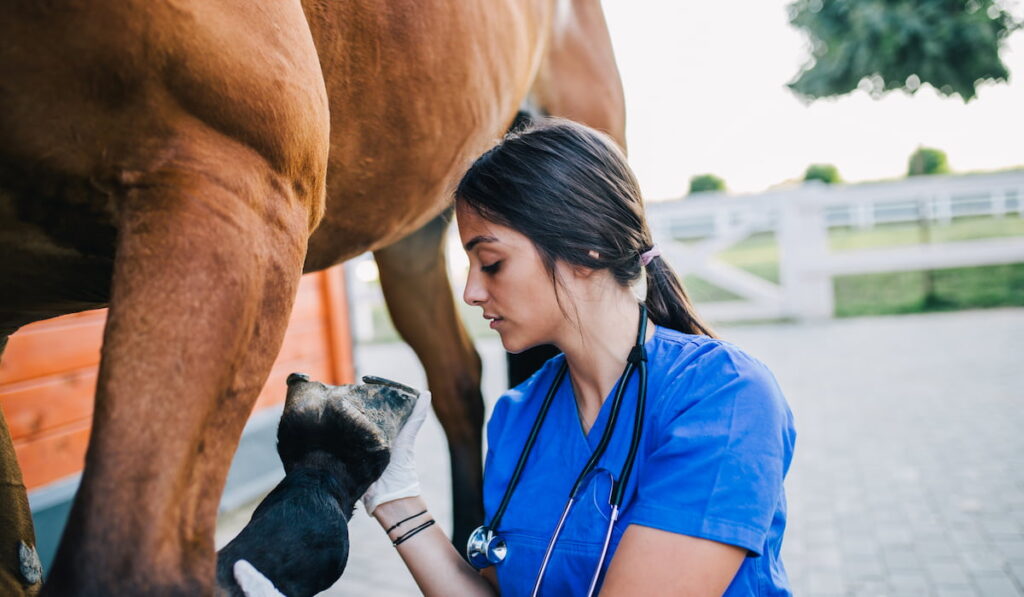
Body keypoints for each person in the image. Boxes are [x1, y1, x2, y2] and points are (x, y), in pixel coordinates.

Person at [237, 117, 797, 596]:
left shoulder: (724, 398)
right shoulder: (518, 415)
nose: (471, 293)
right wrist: (394, 495)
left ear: (586, 248)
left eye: (492, 263)